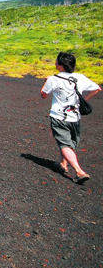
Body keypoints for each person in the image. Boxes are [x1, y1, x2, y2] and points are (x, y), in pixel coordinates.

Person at [40, 51, 101, 183]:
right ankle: (63, 164)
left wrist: (45, 82)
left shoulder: (53, 79)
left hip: (59, 116)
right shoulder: (81, 77)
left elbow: (43, 95)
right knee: (70, 142)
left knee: (64, 144)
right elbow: (97, 89)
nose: (55, 62)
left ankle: (79, 171)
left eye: (56, 61)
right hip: (75, 116)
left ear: (60, 65)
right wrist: (83, 100)